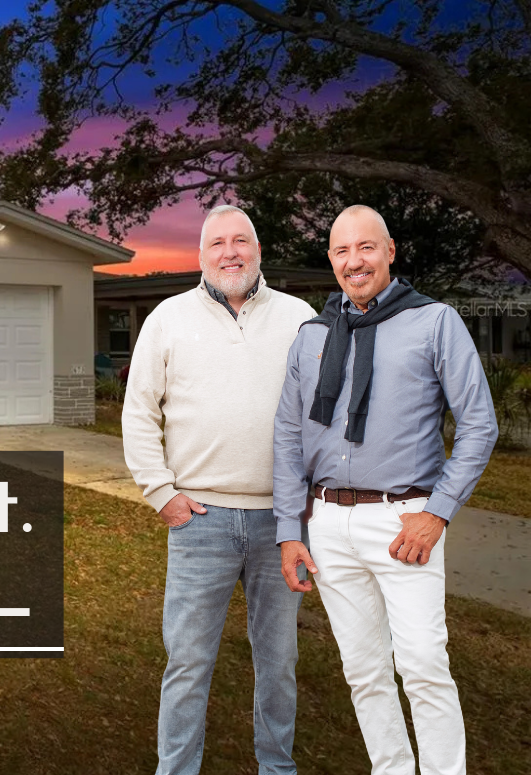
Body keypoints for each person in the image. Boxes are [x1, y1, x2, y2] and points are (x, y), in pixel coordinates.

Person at [273, 205, 497, 775]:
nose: (355, 262)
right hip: (327, 524)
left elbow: (478, 425)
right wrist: (289, 532)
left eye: (366, 248)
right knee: (364, 670)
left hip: (406, 524)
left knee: (423, 665)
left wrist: (438, 513)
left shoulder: (435, 322)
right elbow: (287, 439)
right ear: (331, 260)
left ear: (390, 251)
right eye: (343, 252)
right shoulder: (312, 336)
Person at [123, 204, 317, 775]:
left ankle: (277, 766)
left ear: (258, 250)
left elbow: (320, 416)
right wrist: (161, 493)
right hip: (199, 521)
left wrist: (306, 506)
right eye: (217, 244)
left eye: (241, 241)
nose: (230, 252)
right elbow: (139, 414)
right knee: (187, 661)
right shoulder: (167, 318)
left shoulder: (300, 318)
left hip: (280, 527)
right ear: (200, 256)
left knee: (279, 661)